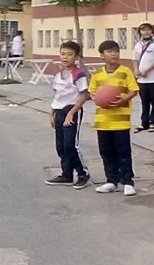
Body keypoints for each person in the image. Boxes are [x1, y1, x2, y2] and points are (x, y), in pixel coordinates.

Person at [89, 40, 140, 197]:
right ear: (101, 55)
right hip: (103, 122)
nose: (114, 54)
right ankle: (111, 180)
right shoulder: (97, 74)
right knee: (106, 152)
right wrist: (98, 98)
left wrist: (123, 100)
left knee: (123, 152)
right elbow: (91, 92)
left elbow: (134, 90)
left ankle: (127, 182)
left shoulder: (125, 71)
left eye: (116, 51)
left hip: (121, 122)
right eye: (110, 51)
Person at [45, 40, 91, 189]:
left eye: (70, 54)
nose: (65, 57)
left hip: (72, 110)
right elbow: (57, 95)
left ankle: (82, 173)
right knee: (61, 146)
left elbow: (84, 95)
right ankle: (67, 175)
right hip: (59, 111)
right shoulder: (58, 75)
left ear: (76, 57)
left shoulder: (78, 75)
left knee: (71, 145)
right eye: (63, 54)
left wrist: (72, 112)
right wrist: (51, 113)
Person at [133, 21, 154, 133]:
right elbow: (135, 60)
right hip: (142, 79)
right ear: (140, 32)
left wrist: (147, 70)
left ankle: (153, 122)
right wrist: (136, 70)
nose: (146, 32)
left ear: (152, 32)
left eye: (148, 29)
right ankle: (144, 123)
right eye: (143, 30)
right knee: (144, 102)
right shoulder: (138, 45)